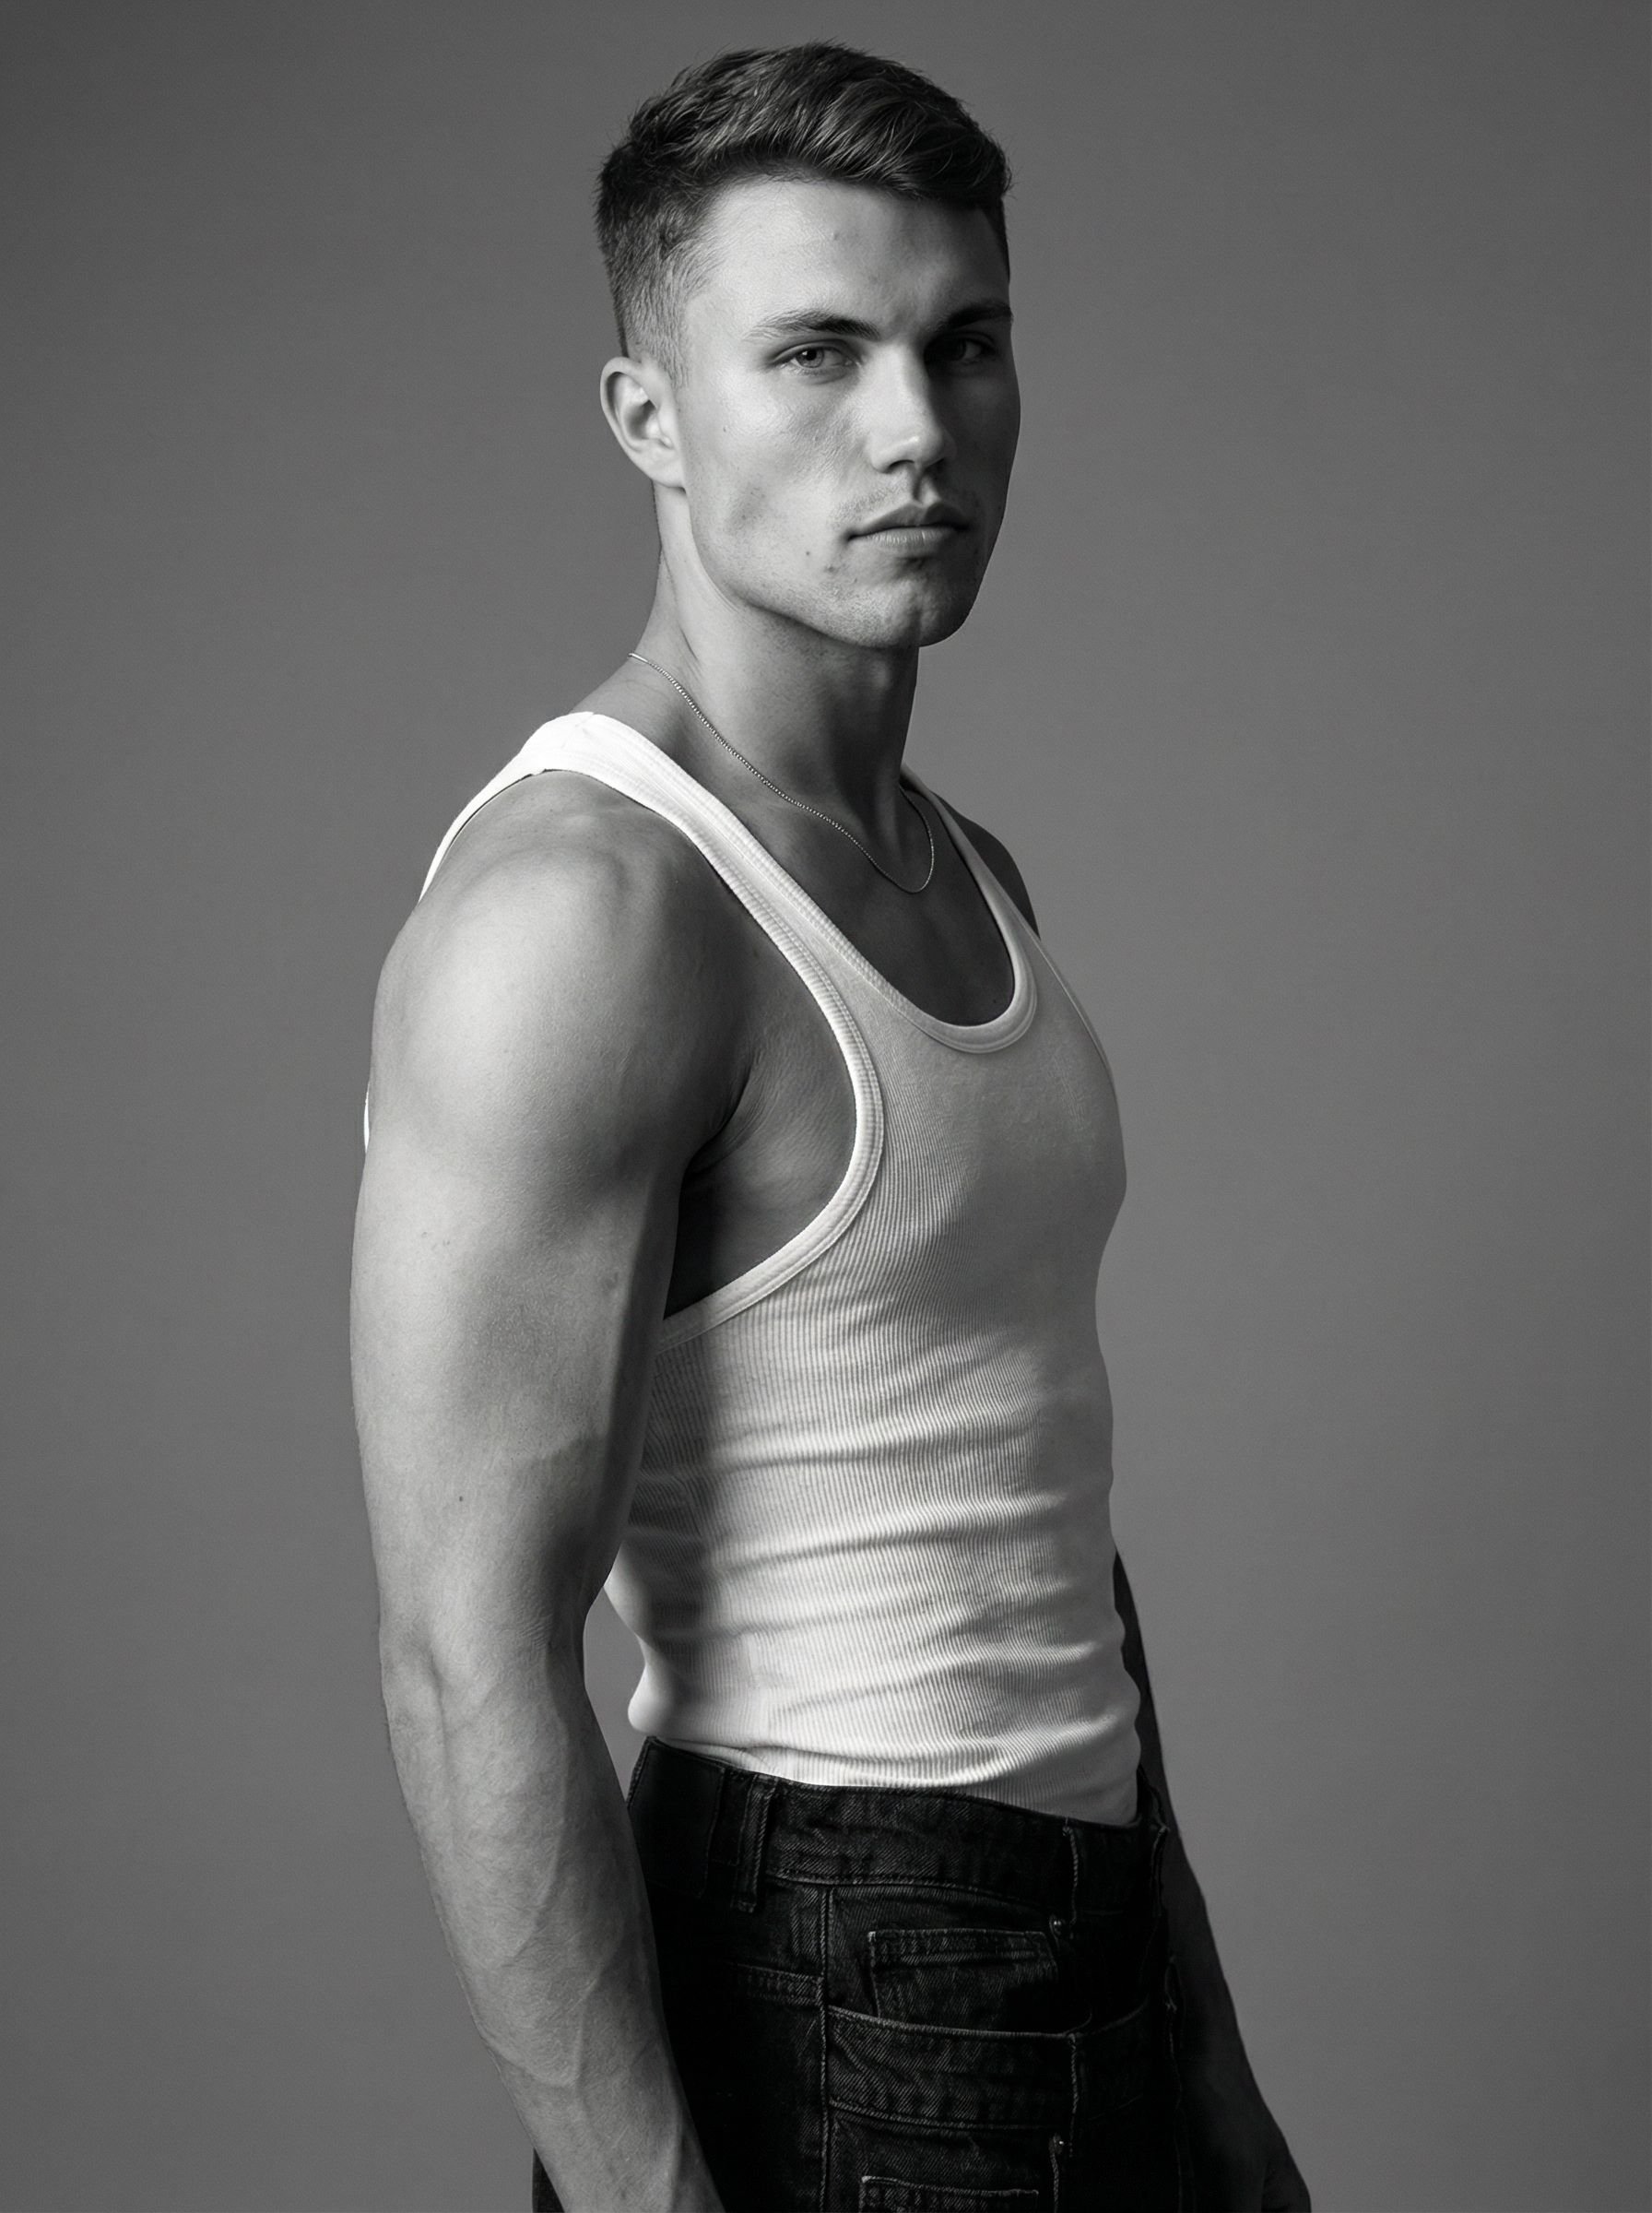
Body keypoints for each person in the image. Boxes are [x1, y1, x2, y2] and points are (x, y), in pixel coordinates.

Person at [350, 41, 1310, 2213]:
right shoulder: (586, 915)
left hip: (1073, 1943)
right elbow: (462, 1656)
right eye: (815, 353)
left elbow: (1024, 1510)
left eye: (962, 344)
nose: (913, 429)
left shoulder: (967, 872)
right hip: (831, 1962)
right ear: (647, 419)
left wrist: (1205, 2064)